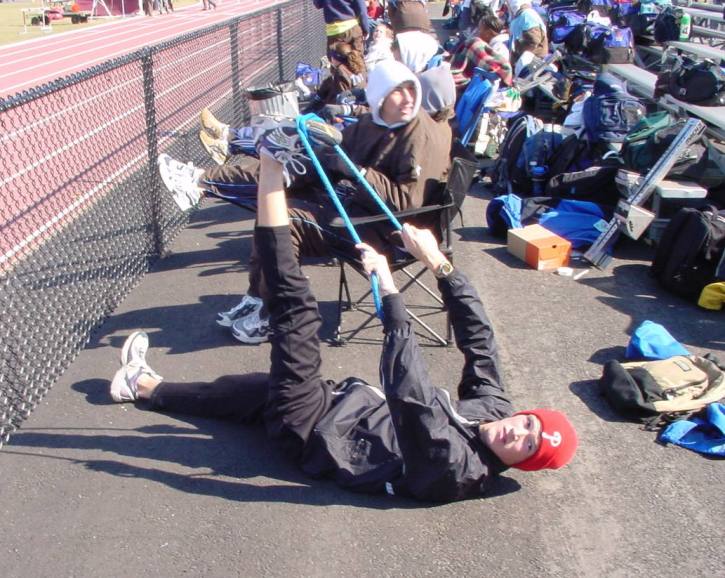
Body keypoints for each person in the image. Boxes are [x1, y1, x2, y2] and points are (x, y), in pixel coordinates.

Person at [109, 140, 578, 503]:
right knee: (240, 393)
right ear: (526, 414)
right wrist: (439, 263)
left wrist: (389, 291)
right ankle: (142, 386)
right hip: (337, 401)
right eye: (528, 425)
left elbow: (409, 391)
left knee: (297, 314)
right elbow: (480, 341)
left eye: (526, 446)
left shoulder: (453, 468)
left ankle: (271, 163)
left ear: (521, 465)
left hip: (313, 431)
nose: (516, 433)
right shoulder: (495, 412)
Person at [162, 61, 452, 344]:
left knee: (286, 221)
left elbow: (406, 204)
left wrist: (357, 171)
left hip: (384, 231)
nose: (408, 98)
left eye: (411, 90)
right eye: (398, 91)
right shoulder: (374, 122)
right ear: (380, 97)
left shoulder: (418, 134)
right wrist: (315, 153)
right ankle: (255, 291)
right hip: (357, 207)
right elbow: (339, 152)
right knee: (286, 179)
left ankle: (277, 314)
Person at [447, 7, 513, 89]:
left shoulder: (499, 48)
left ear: (488, 33)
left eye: (480, 29)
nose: (477, 32)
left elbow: (490, 70)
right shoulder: (492, 44)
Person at [316, 41, 367, 106]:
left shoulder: (341, 72)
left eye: (332, 56)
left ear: (336, 58)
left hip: (351, 109)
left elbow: (341, 98)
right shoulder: (360, 66)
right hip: (364, 105)